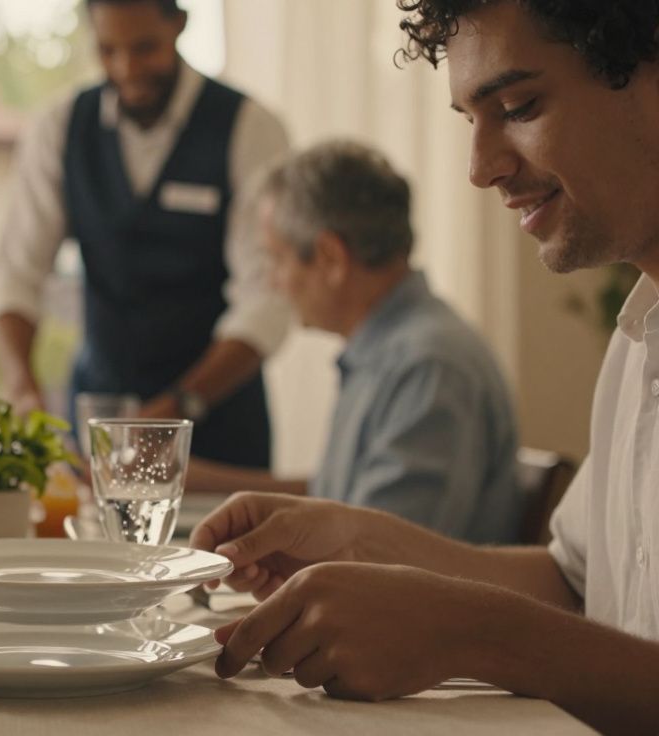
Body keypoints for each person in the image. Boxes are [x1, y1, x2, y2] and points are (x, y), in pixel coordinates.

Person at [189, 2, 659, 732]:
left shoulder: (429, 360)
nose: (480, 169)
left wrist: (475, 633)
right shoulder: (639, 335)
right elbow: (576, 586)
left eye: (519, 106)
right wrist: (360, 539)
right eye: (471, 121)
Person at [0, 0, 291, 468]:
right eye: (108, 51)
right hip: (98, 417)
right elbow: (15, 274)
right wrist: (22, 388)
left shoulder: (250, 129)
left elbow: (267, 299)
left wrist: (176, 409)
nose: (126, 68)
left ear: (180, 26)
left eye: (145, 49)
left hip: (219, 428)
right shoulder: (59, 128)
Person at [188, 141, 522, 544]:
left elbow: (384, 556)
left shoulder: (426, 366)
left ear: (330, 258)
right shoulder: (390, 350)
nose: (274, 282)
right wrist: (201, 481)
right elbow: (343, 500)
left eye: (277, 259)